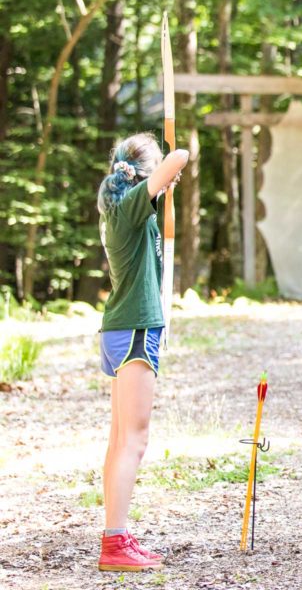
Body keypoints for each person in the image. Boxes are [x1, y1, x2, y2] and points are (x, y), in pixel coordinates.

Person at [96, 133, 189, 571]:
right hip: (133, 331)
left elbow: (167, 174)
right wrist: (173, 154)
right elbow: (181, 158)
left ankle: (118, 535)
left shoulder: (126, 211)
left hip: (126, 328)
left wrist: (163, 179)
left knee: (121, 441)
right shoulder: (129, 207)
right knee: (134, 441)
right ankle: (114, 544)